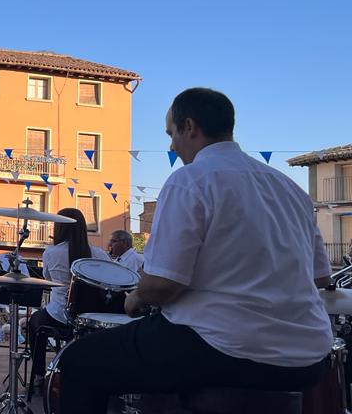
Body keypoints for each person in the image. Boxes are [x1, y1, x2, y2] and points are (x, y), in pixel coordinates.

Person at [56, 88, 332, 413]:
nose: (172, 145)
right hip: (306, 356)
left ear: (190, 127)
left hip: (221, 346)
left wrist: (136, 297)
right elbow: (320, 278)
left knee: (78, 362)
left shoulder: (190, 180)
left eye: (171, 134)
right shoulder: (290, 189)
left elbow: (163, 284)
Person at [26, 208, 110, 390]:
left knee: (34, 322)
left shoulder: (51, 253)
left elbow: (48, 280)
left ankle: (39, 375)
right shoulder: (100, 255)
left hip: (59, 316)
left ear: (60, 228)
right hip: (91, 318)